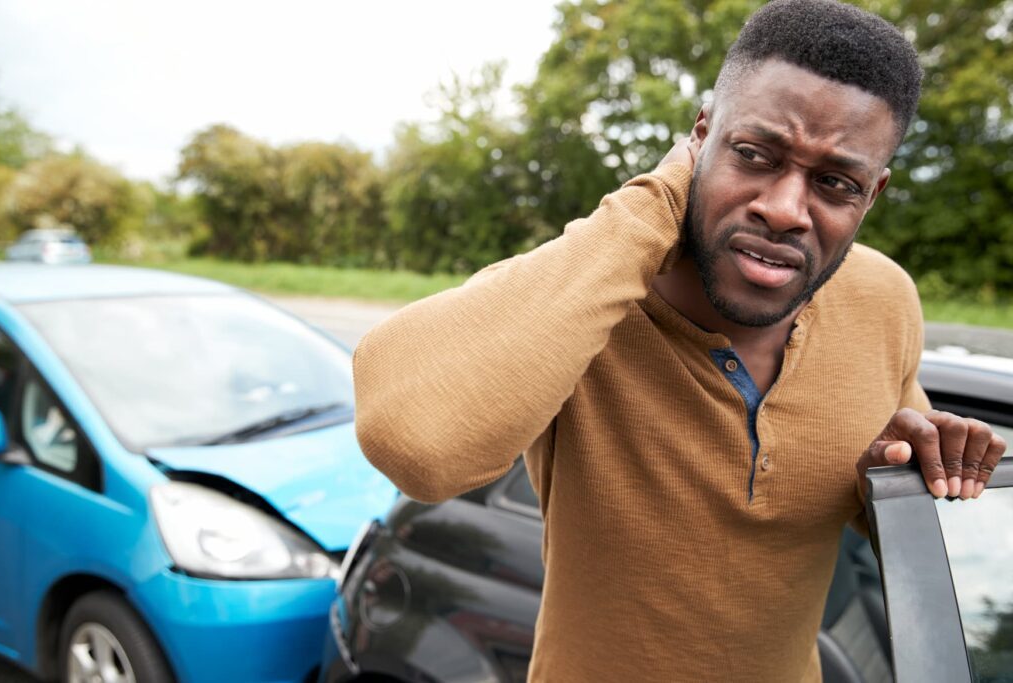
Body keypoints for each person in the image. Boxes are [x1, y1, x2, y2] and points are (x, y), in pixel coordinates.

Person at [353, 0, 1008, 680]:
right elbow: (416, 446)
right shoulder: (589, 291)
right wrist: (653, 203)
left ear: (872, 196)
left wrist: (896, 475)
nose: (784, 210)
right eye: (753, 153)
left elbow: (907, 529)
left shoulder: (884, 299)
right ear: (700, 135)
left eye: (835, 183)